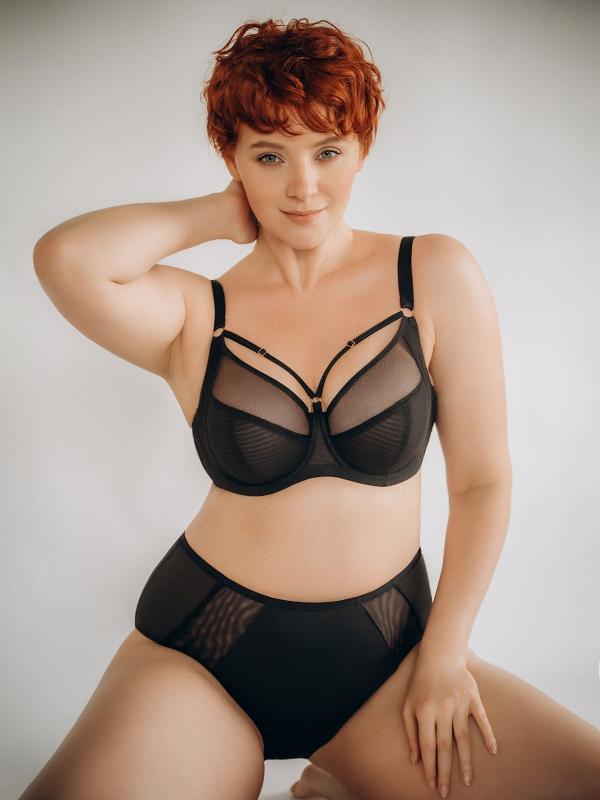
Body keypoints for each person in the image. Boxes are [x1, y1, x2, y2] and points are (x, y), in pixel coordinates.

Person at [22, 16, 600, 800]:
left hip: (390, 659)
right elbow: (65, 258)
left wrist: (445, 654)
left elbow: (482, 481)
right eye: (270, 156)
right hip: (204, 653)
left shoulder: (431, 273)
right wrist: (218, 215)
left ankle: (334, 775)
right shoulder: (197, 313)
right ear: (233, 159)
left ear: (362, 147)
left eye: (328, 151)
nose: (303, 187)